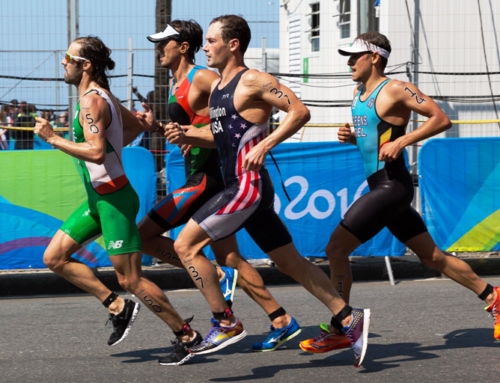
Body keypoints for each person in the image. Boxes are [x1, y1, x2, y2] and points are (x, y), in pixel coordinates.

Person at [163, 15, 370, 367]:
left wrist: (266, 143)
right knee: (290, 263)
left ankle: (224, 322)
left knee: (185, 244)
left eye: (212, 41)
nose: (206, 47)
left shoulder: (254, 80)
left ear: (233, 45)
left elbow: (299, 111)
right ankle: (349, 318)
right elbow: (221, 137)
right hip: (238, 185)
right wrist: (188, 135)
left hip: (247, 185)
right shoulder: (217, 89)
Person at [300, 31, 500, 354]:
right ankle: (493, 297)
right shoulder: (358, 93)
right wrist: (353, 139)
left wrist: (403, 141)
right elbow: (375, 142)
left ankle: (342, 325)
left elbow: (441, 118)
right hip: (381, 186)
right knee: (431, 257)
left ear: (374, 57)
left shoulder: (395, 89)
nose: (349, 63)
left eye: (355, 56)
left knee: (335, 248)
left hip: (393, 186)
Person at [129, 19, 301, 357]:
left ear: (183, 47)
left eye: (164, 42)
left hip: (210, 179)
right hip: (202, 176)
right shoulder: (176, 84)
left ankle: (222, 299)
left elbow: (227, 125)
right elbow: (197, 127)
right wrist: (160, 127)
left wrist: (206, 138)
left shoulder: (202, 77)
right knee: (231, 256)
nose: (157, 49)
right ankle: (280, 319)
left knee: (144, 235)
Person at [34, 35, 204, 367]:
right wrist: (134, 131)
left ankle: (188, 337)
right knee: (54, 257)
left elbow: (97, 152)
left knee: (130, 279)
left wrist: (53, 138)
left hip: (113, 201)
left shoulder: (91, 102)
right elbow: (134, 126)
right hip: (98, 200)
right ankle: (117, 306)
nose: (62, 62)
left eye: (68, 57)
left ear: (85, 65)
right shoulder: (101, 96)